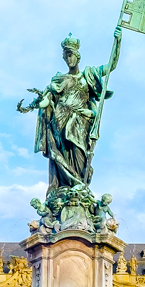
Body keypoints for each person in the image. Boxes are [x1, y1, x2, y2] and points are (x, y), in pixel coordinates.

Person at [19, 28, 122, 193]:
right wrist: (35, 105)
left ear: (77, 56)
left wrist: (118, 42)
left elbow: (111, 66)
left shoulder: (88, 75)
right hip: (59, 123)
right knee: (62, 155)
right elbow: (47, 99)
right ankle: (65, 190)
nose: (68, 59)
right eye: (65, 56)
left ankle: (79, 187)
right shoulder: (59, 79)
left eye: (70, 55)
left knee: (78, 154)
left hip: (79, 123)